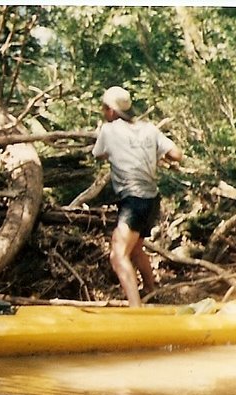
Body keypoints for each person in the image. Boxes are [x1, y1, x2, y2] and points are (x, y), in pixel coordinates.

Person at [92, 86, 183, 306]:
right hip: (152, 200)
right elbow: (177, 155)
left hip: (133, 201)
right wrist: (158, 157)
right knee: (135, 247)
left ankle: (136, 309)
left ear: (112, 111)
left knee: (118, 254)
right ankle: (152, 290)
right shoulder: (150, 129)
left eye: (105, 108)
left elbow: (98, 154)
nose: (104, 112)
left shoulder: (108, 130)